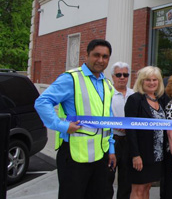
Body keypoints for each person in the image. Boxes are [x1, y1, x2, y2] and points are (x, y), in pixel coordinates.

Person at [34, 39, 116, 199]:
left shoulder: (107, 84)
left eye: (105, 57)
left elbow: (108, 119)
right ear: (87, 55)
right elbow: (42, 102)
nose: (100, 60)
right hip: (74, 156)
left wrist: (111, 150)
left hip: (101, 155)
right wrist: (62, 125)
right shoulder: (71, 78)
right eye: (96, 55)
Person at [125, 66, 165, 199]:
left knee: (147, 187)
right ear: (141, 81)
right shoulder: (135, 99)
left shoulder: (159, 100)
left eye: (155, 80)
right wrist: (135, 155)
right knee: (138, 189)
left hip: (156, 154)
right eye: (148, 80)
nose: (152, 82)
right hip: (140, 154)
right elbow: (130, 130)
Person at [106, 62, 134, 199]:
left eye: (125, 74)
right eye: (119, 74)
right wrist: (114, 125)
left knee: (126, 179)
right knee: (107, 178)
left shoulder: (133, 94)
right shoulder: (107, 94)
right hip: (112, 141)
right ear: (112, 76)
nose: (122, 77)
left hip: (129, 141)